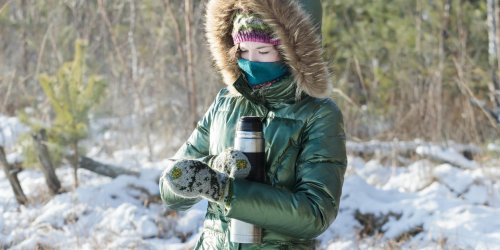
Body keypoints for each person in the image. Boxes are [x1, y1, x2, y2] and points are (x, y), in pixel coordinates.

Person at [159, 0, 347, 249]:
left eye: (264, 52)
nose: (251, 62)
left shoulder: (318, 114)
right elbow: (170, 187)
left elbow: (316, 213)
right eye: (243, 51)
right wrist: (211, 170)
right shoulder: (225, 103)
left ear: (294, 52)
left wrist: (226, 191)